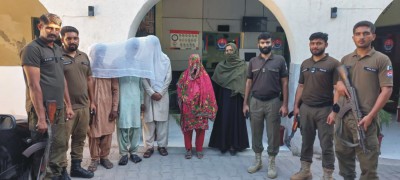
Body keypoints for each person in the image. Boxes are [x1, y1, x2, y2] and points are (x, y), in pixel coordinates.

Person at [335, 20, 393, 180]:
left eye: (366, 33)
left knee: (368, 165)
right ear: (353, 37)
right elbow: (338, 85)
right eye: (358, 34)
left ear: (373, 36)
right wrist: (338, 85)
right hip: (343, 118)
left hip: (365, 119)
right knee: (343, 156)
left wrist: (371, 116)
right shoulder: (346, 59)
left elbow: (387, 90)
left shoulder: (382, 60)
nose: (362, 37)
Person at [20, 13, 74, 179]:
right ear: (40, 27)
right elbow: (34, 85)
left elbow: (61, 79)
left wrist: (68, 105)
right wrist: (41, 118)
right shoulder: (31, 49)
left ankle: (58, 173)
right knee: (43, 152)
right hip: (42, 110)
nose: (53, 31)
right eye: (49, 28)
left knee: (60, 145)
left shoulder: (57, 48)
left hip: (58, 108)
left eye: (56, 29)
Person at [290, 32, 339, 180]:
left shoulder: (334, 63)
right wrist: (296, 106)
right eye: (312, 43)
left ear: (326, 45)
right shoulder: (305, 63)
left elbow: (338, 88)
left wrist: (334, 112)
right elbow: (300, 86)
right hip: (306, 109)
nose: (315, 46)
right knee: (306, 142)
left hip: (325, 110)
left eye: (319, 43)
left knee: (326, 144)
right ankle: (305, 172)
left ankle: (327, 176)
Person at [243, 32, 288, 179]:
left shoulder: (280, 60)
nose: (265, 45)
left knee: (273, 133)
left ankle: (272, 163)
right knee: (256, 131)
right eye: (262, 43)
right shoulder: (253, 61)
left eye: (267, 42)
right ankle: (257, 161)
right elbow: (248, 82)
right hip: (255, 101)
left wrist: (285, 104)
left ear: (272, 43)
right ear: (258, 45)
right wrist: (245, 103)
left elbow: (285, 83)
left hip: (274, 101)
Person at [61, 26, 95, 178]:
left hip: (84, 106)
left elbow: (89, 79)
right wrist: (67, 105)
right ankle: (61, 170)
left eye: (75, 38)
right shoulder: (58, 57)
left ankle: (76, 167)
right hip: (66, 108)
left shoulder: (84, 56)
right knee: (62, 141)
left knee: (80, 138)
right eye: (69, 38)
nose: (72, 41)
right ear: (62, 39)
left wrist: (92, 102)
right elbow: (59, 83)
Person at [208, 43, 249, 155]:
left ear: (235, 51)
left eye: (231, 50)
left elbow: (247, 83)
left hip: (237, 99)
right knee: (224, 119)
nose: (228, 52)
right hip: (223, 99)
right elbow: (215, 83)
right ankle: (223, 144)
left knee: (235, 121)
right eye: (226, 51)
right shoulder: (220, 66)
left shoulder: (243, 66)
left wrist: (246, 101)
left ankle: (234, 145)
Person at [177, 54, 217, 159]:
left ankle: (199, 149)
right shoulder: (184, 75)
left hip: (201, 108)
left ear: (199, 62)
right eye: (192, 61)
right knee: (187, 129)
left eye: (196, 61)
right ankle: (188, 149)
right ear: (189, 62)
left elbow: (209, 91)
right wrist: (184, 99)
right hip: (188, 107)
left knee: (200, 129)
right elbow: (179, 88)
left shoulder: (204, 76)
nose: (194, 64)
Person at [87, 44, 119, 172]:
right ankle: (94, 159)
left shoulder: (110, 68)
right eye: (97, 53)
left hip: (107, 107)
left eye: (102, 53)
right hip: (91, 105)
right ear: (92, 54)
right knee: (92, 134)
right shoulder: (87, 68)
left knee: (107, 133)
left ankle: (104, 157)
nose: (99, 55)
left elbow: (115, 90)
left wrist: (114, 108)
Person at [142, 36, 172, 158]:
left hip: (162, 95)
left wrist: (160, 92)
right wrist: (151, 92)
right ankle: (149, 147)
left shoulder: (165, 59)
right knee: (148, 122)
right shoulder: (144, 60)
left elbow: (168, 77)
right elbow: (142, 77)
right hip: (149, 96)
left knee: (162, 122)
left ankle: (162, 146)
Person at [117, 76, 144, 165]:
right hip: (122, 99)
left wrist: (142, 101)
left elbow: (141, 86)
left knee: (136, 127)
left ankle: (134, 153)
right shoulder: (120, 67)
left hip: (135, 100)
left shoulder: (137, 67)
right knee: (122, 127)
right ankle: (123, 154)